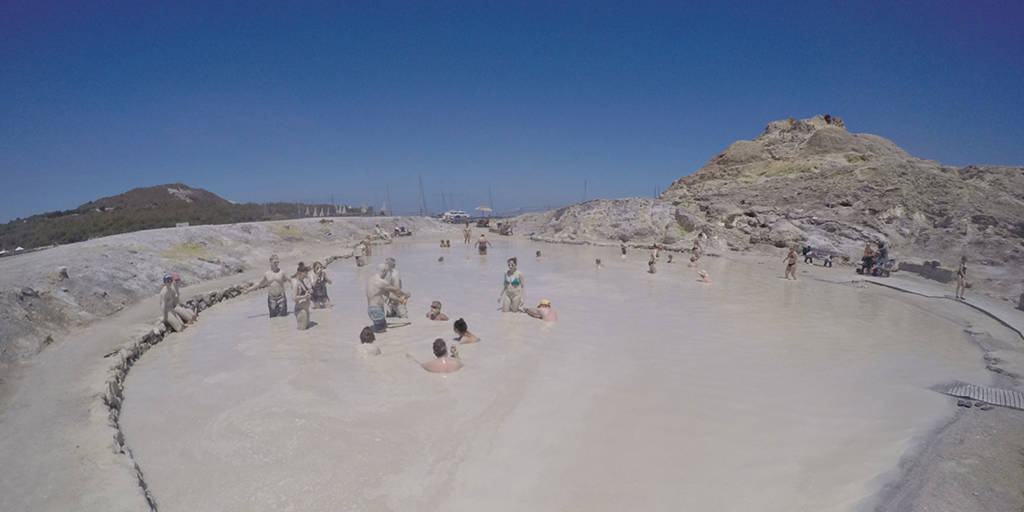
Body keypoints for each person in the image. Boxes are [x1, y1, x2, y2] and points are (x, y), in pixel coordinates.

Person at [366, 264, 410, 333]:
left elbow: (388, 294)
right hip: (377, 310)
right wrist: (405, 294)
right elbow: (396, 290)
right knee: (383, 335)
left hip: (371, 310)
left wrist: (400, 300)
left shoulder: (370, 279)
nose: (386, 276)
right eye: (386, 273)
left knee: (382, 331)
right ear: (384, 271)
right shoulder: (381, 282)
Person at [292, 262, 313, 330]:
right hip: (300, 311)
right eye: (306, 273)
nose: (307, 275)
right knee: (302, 333)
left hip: (306, 310)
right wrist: (304, 297)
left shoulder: (302, 281)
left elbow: (304, 293)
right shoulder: (295, 283)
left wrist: (309, 291)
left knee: (306, 333)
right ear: (301, 273)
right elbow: (294, 298)